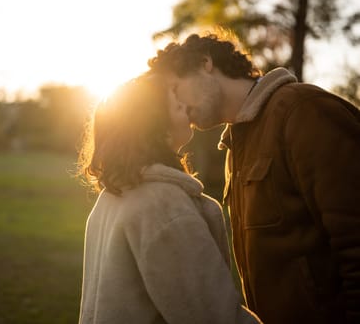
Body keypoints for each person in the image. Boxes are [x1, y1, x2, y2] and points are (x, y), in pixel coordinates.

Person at [147, 30, 360, 324]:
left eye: (175, 88)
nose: (178, 105)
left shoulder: (302, 110)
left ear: (205, 63)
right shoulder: (236, 148)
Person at [76, 74, 261, 324]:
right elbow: (214, 316)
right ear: (154, 123)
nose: (184, 104)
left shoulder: (114, 196)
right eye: (175, 101)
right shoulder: (164, 205)